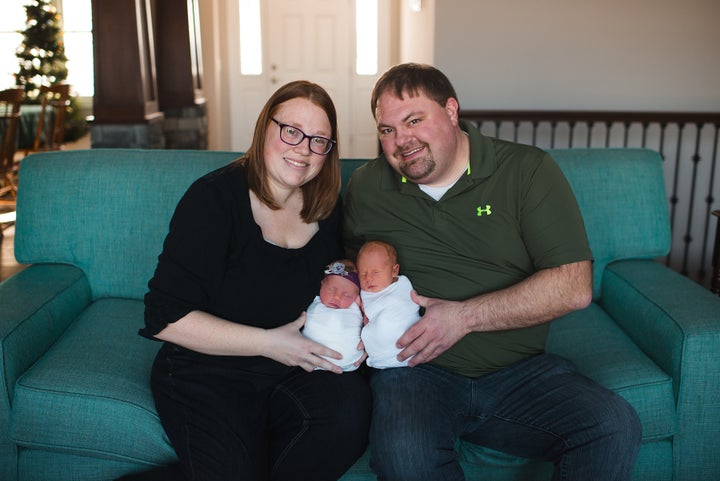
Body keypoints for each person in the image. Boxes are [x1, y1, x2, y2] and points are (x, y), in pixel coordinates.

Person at [342, 63, 641, 481]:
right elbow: (345, 262)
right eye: (387, 130)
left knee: (612, 424)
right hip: (412, 371)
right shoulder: (367, 186)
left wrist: (462, 317)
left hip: (518, 372)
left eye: (414, 120)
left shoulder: (526, 170)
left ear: (451, 111)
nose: (400, 140)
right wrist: (338, 276)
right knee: (406, 456)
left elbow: (573, 286)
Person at [134, 80, 371, 481]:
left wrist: (358, 313)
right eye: (291, 131)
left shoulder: (326, 206)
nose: (303, 149)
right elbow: (165, 317)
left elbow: (337, 277)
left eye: (319, 141)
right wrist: (268, 342)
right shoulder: (213, 198)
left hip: (291, 366)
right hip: (206, 369)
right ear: (265, 128)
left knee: (351, 414)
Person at [356, 240, 420, 369]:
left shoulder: (402, 285)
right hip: (380, 355)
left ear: (394, 271)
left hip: (412, 344)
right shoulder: (364, 293)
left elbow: (409, 304)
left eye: (376, 272)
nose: (368, 278)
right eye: (363, 273)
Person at [302, 259, 365, 371]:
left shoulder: (357, 304)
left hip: (349, 363)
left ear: (356, 296)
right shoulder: (313, 299)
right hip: (309, 361)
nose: (337, 297)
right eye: (331, 289)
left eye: (347, 295)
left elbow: (370, 320)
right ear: (322, 284)